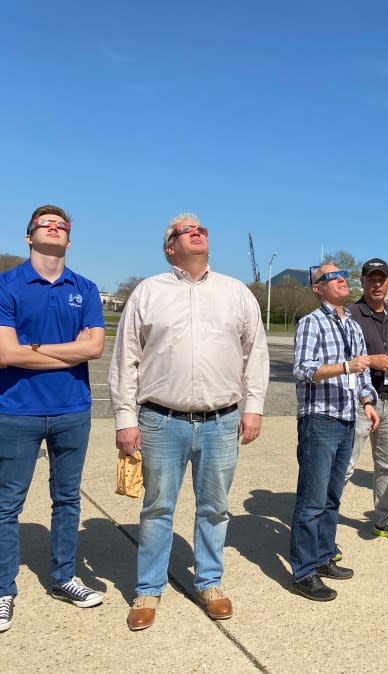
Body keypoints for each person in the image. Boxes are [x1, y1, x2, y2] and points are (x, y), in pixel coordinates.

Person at [109, 213, 269, 631]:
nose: (197, 232)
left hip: (221, 421)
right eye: (185, 230)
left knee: (215, 507)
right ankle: (148, 589)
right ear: (169, 247)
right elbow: (126, 359)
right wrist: (125, 418)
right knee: (157, 507)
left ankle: (210, 582)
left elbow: (256, 355)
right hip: (161, 421)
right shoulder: (148, 292)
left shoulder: (236, 292)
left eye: (202, 228)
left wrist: (253, 408)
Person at [0, 205, 106, 633]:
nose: (55, 228)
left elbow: (94, 349)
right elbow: (4, 354)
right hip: (15, 411)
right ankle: (4, 588)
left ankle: (64, 576)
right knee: (8, 504)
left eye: (62, 226)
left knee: (67, 500)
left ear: (69, 240)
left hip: (72, 411)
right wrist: (66, 349)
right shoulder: (7, 285)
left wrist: (33, 351)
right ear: (29, 237)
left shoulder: (85, 287)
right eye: (46, 224)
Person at [290, 262, 379, 601]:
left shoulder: (353, 327)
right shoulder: (311, 323)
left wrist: (367, 401)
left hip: (346, 417)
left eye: (342, 275)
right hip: (320, 419)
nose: (341, 279)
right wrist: (345, 366)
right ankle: (303, 571)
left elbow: (362, 374)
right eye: (331, 277)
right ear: (317, 288)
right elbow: (302, 368)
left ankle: (324, 557)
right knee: (311, 501)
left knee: (331, 497)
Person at [344, 258, 388, 542]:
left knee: (387, 464)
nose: (377, 284)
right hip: (360, 402)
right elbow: (339, 360)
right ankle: (323, 528)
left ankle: (384, 520)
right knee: (346, 465)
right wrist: (370, 361)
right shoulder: (351, 315)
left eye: (381, 279)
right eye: (371, 279)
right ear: (362, 281)